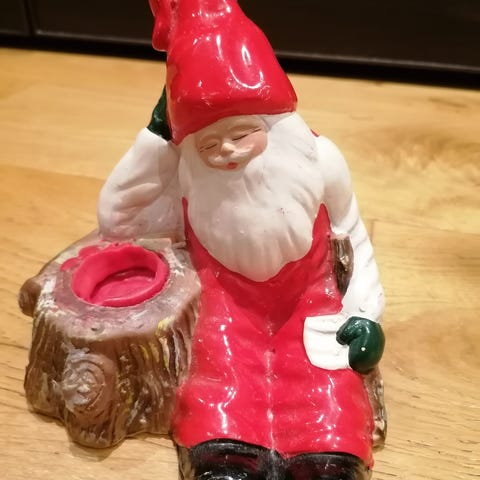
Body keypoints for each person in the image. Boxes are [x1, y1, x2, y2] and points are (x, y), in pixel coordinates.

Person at [97, 1, 385, 479]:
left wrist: (364, 314)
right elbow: (116, 218)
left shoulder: (318, 161)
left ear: (274, 125)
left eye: (242, 133)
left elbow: (353, 235)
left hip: (311, 306)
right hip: (225, 314)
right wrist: (156, 137)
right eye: (209, 144)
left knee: (327, 394)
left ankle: (326, 457)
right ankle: (227, 453)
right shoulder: (190, 179)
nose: (227, 151)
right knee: (219, 391)